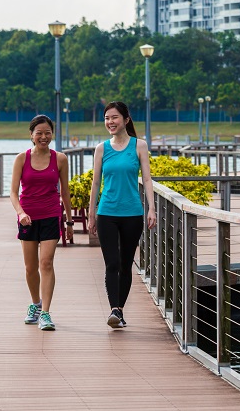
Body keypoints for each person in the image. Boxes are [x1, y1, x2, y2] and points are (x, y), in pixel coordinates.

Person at [88, 101, 156, 329]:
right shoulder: (101, 149)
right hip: (107, 212)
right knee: (112, 264)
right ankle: (114, 310)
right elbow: (96, 183)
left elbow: (146, 179)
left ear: (126, 119)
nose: (110, 122)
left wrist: (151, 209)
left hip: (132, 213)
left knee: (126, 265)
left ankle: (120, 310)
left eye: (114, 117)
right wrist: (91, 214)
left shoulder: (139, 146)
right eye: (107, 118)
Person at [10, 114, 73, 331]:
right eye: (39, 133)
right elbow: (12, 192)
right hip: (27, 218)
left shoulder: (60, 159)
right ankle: (35, 304)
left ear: (52, 134)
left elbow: (65, 192)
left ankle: (46, 313)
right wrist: (20, 213)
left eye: (47, 133)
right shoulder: (21, 159)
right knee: (30, 268)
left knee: (46, 263)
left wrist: (69, 222)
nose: (44, 137)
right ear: (31, 135)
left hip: (50, 215)